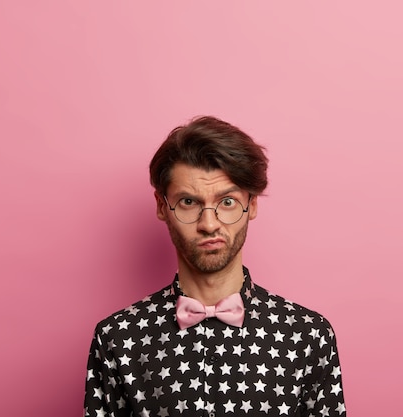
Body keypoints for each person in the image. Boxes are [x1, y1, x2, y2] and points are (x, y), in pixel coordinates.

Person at [84, 116, 346, 417]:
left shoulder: (309, 337)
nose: (209, 224)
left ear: (253, 205)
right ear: (161, 206)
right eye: (188, 202)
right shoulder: (117, 338)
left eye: (228, 202)